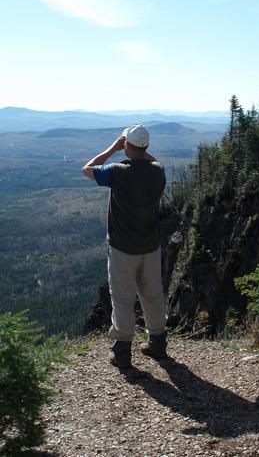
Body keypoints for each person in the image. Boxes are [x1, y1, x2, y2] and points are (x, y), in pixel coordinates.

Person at [82, 124, 167, 371]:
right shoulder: (157, 172)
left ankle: (122, 353)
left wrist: (113, 147)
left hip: (122, 249)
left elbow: (87, 169)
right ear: (147, 146)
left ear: (127, 145)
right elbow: (153, 161)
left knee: (122, 299)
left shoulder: (118, 171)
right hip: (150, 247)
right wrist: (138, 150)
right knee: (152, 294)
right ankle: (158, 343)